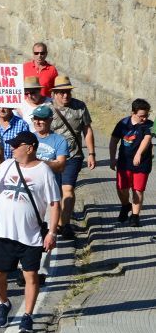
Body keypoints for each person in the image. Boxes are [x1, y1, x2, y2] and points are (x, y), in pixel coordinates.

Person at [0, 130, 61, 333]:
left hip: (31, 234)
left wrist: (52, 233)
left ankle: (27, 315)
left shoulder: (44, 171)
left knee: (31, 276)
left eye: (16, 146)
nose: (11, 149)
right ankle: (4, 303)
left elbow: (55, 204)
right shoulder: (5, 166)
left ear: (29, 148)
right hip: (3, 232)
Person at [49, 76, 95, 238]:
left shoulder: (79, 107)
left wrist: (91, 153)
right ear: (54, 93)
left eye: (67, 92)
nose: (65, 96)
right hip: (51, 158)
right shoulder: (47, 108)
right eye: (61, 92)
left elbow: (87, 130)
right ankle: (51, 223)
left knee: (68, 190)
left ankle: (64, 224)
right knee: (54, 192)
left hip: (73, 156)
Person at [110, 98, 152, 227]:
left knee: (138, 190)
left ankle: (135, 216)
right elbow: (114, 141)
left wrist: (139, 154)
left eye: (146, 115)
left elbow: (147, 138)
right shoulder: (123, 123)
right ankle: (125, 205)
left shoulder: (150, 124)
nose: (144, 118)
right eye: (141, 116)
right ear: (133, 113)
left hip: (142, 163)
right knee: (122, 188)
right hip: (124, 161)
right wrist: (112, 158)